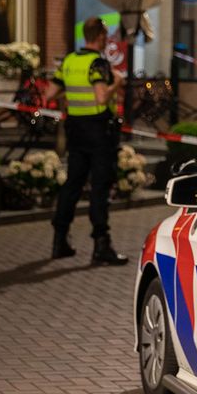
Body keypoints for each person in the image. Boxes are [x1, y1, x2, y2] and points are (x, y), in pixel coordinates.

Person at [45, 17, 131, 265]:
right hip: (99, 131)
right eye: (106, 36)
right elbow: (101, 97)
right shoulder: (98, 63)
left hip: (76, 131)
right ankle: (101, 244)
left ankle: (60, 240)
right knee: (99, 188)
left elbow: (50, 93)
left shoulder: (69, 61)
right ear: (101, 37)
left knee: (72, 184)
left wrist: (71, 93)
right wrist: (117, 82)